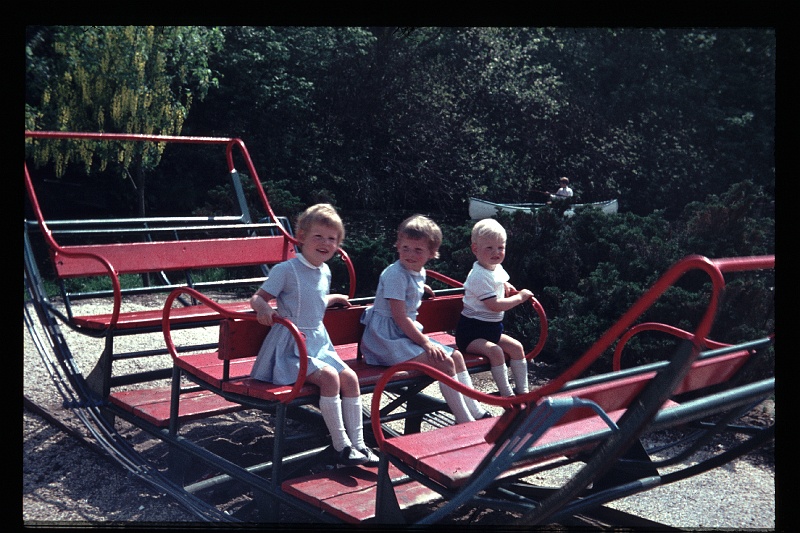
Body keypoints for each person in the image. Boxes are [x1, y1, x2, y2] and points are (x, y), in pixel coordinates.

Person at [249, 204, 378, 466]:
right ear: (301, 237)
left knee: (350, 378)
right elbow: (258, 297)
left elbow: (312, 299)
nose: (325, 243)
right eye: (318, 236)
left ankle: (360, 444)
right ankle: (340, 445)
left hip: (318, 343)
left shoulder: (325, 271)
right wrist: (263, 308)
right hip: (291, 346)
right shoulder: (286, 270)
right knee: (330, 378)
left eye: (332, 239)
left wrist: (333, 298)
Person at [360, 214, 489, 423]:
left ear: (431, 253)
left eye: (418, 250)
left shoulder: (416, 272)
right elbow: (400, 317)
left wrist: (422, 289)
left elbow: (411, 287)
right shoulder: (395, 275)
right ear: (398, 245)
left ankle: (474, 409)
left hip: (403, 336)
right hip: (386, 340)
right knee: (444, 362)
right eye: (405, 248)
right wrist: (426, 343)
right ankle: (464, 419)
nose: (410, 254)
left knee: (455, 357)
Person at [456, 219, 534, 397]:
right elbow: (495, 306)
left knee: (517, 348)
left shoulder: (495, 268)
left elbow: (500, 281)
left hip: (492, 330)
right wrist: (519, 298)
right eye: (489, 248)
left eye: (500, 247)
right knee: (496, 352)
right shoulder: (478, 276)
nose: (496, 252)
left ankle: (524, 391)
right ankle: (507, 395)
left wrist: (506, 286)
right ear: (475, 249)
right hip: (471, 334)